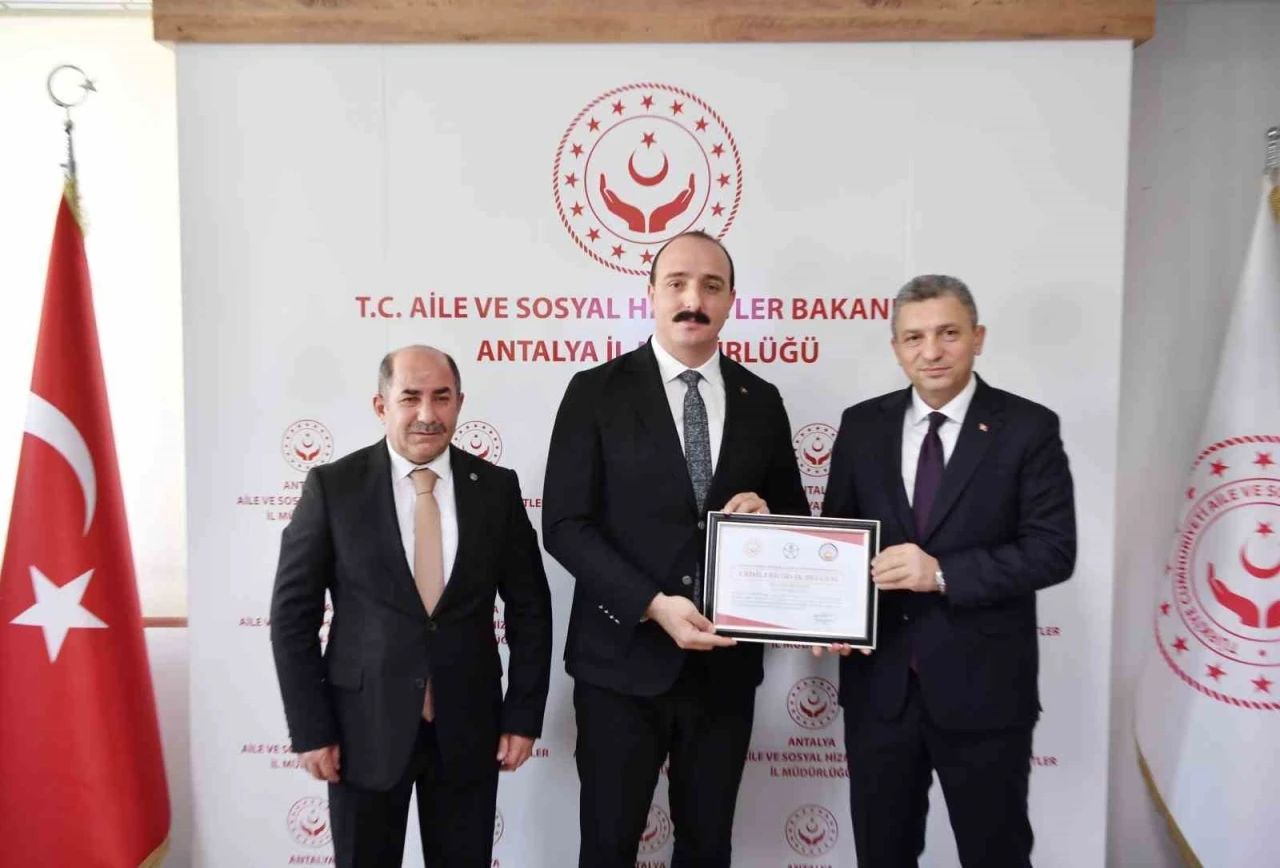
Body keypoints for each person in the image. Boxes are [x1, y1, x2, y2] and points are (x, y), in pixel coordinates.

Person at [542, 231, 809, 868]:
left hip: (724, 669)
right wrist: (653, 604)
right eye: (678, 284)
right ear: (651, 295)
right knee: (607, 847)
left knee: (708, 847)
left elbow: (795, 519)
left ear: (731, 300)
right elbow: (565, 524)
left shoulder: (761, 400)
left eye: (711, 286)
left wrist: (768, 518)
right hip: (619, 664)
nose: (694, 299)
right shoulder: (594, 391)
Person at [819, 275, 1076, 868]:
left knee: (995, 854)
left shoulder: (1028, 428)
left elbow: (1052, 551)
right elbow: (840, 540)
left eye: (948, 334)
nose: (931, 351)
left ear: (977, 338)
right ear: (896, 348)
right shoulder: (862, 425)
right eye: (914, 337)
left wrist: (940, 573)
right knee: (882, 855)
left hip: (985, 693)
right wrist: (830, 613)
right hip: (880, 692)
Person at [270, 345, 553, 868]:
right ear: (381, 406)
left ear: (460, 403)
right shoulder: (333, 488)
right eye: (410, 398)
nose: (427, 414)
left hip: (468, 728)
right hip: (361, 732)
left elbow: (531, 609)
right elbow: (292, 618)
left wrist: (523, 716)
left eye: (441, 398)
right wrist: (311, 729)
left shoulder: (496, 489)